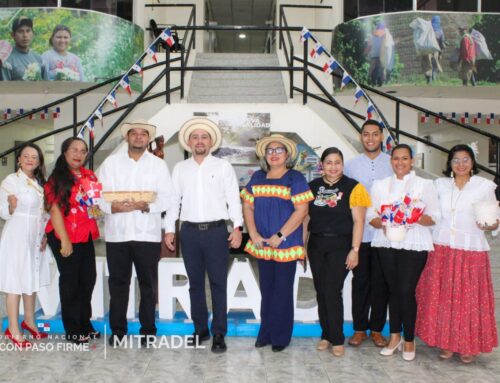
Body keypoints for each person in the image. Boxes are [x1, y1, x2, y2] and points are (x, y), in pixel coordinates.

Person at [164, 118, 243, 353]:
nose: (200, 141)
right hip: (188, 233)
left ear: (211, 142)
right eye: (195, 137)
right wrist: (170, 229)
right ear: (189, 142)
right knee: (195, 284)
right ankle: (201, 329)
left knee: (219, 283)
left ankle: (219, 332)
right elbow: (173, 200)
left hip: (217, 232)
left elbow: (233, 198)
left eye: (204, 137)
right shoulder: (180, 168)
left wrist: (237, 227)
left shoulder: (223, 167)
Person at [416, 144, 498, 363]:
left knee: (468, 299)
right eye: (456, 160)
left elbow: (493, 217)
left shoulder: (483, 186)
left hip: (470, 250)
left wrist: (490, 225)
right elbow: (431, 213)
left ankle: (467, 345)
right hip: (442, 248)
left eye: (465, 160)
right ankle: (446, 343)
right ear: (449, 164)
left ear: (472, 162)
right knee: (443, 298)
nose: (461, 164)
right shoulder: (440, 185)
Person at [98, 119, 173, 347]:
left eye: (143, 134)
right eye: (134, 134)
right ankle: (118, 331)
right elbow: (99, 196)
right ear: (127, 137)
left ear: (148, 139)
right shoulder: (110, 164)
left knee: (148, 285)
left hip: (147, 234)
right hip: (117, 234)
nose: (139, 137)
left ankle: (148, 330)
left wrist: (147, 206)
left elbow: (167, 198)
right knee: (118, 284)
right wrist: (112, 207)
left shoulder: (158, 165)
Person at [367, 144, 440, 361]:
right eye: (396, 159)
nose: (400, 163)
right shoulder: (380, 185)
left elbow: (434, 216)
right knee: (393, 290)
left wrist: (412, 217)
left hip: (414, 244)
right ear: (391, 161)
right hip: (387, 243)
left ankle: (409, 339)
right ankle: (395, 336)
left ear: (412, 160)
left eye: (405, 158)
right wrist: (387, 220)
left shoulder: (425, 185)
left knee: (406, 290)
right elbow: (372, 214)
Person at [241, 134, 313, 352]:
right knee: (268, 289)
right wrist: (253, 233)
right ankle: (266, 332)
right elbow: (247, 206)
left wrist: (280, 236)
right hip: (262, 244)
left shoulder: (295, 178)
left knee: (282, 290)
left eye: (278, 150)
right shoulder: (258, 178)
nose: (273, 154)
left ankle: (281, 336)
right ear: (264, 155)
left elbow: (302, 211)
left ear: (287, 154)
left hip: (286, 244)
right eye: (269, 151)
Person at [305, 147, 370, 357]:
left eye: (337, 162)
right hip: (316, 245)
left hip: (341, 246)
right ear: (321, 165)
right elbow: (306, 218)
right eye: (329, 162)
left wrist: (355, 249)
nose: (333, 167)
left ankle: (337, 338)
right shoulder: (312, 187)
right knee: (321, 291)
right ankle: (326, 334)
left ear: (343, 164)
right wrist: (302, 246)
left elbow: (359, 221)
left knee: (332, 290)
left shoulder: (354, 187)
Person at [44, 137, 100, 344]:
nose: (78, 154)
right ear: (65, 152)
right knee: (70, 282)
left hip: (85, 234)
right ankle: (73, 329)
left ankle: (85, 323)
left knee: (88, 280)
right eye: (74, 150)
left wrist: (96, 211)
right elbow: (55, 210)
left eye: (83, 151)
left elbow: (92, 203)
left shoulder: (90, 175)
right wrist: (65, 241)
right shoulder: (56, 179)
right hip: (62, 234)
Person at [344, 119, 393, 348]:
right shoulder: (351, 166)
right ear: (361, 137)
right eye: (366, 134)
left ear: (382, 137)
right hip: (361, 236)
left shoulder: (392, 163)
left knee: (381, 284)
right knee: (360, 282)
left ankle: (376, 329)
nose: (370, 138)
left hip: (386, 236)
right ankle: (359, 329)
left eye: (375, 134)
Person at [0, 143, 50, 348]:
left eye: (35, 157)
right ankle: (13, 329)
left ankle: (29, 322)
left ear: (39, 162)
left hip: (36, 236)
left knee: (31, 278)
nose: (30, 159)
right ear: (19, 159)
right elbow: (2, 210)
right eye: (26, 156)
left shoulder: (39, 183)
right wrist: (10, 206)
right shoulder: (11, 181)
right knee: (15, 281)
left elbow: (45, 211)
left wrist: (46, 233)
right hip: (17, 235)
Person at [366, 21, 394, 86]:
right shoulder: (372, 37)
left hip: (381, 55)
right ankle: (371, 81)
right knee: (372, 69)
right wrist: (366, 52)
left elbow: (387, 42)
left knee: (381, 69)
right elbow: (369, 46)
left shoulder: (383, 36)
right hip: (374, 56)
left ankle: (380, 82)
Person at [423, 16, 446, 84]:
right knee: (435, 63)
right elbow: (442, 42)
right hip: (435, 50)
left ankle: (429, 80)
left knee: (427, 64)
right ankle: (434, 78)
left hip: (427, 49)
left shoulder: (428, 29)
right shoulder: (440, 31)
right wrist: (441, 51)